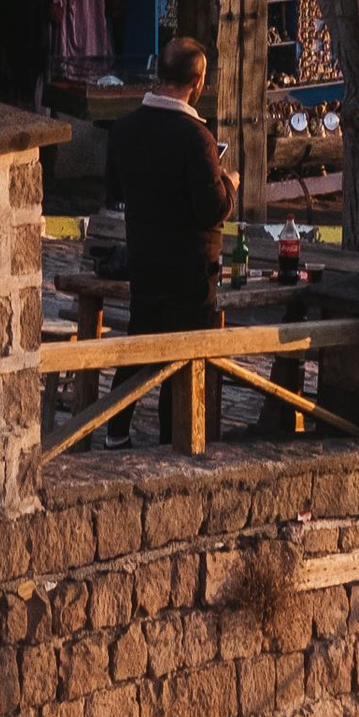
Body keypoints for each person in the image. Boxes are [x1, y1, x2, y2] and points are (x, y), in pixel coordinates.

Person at [101, 34, 238, 447]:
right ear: (198, 83)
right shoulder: (196, 137)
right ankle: (173, 440)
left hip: (145, 257)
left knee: (140, 346)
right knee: (181, 359)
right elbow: (211, 208)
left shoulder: (124, 130)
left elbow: (115, 193)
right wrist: (229, 184)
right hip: (190, 266)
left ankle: (115, 431)